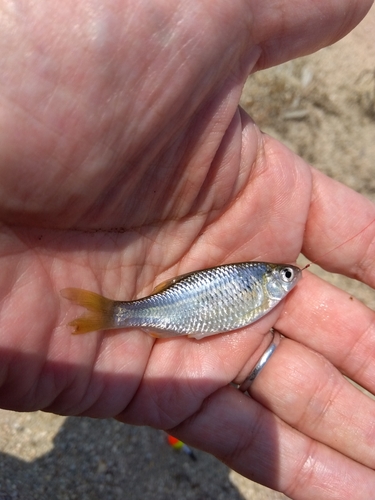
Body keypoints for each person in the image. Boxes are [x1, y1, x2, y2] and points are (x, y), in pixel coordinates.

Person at [0, 0, 374, 497]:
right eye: (284, 277)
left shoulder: (260, 287)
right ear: (268, 281)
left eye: (286, 277)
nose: (289, 279)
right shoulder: (260, 287)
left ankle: (116, 314)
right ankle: (116, 314)